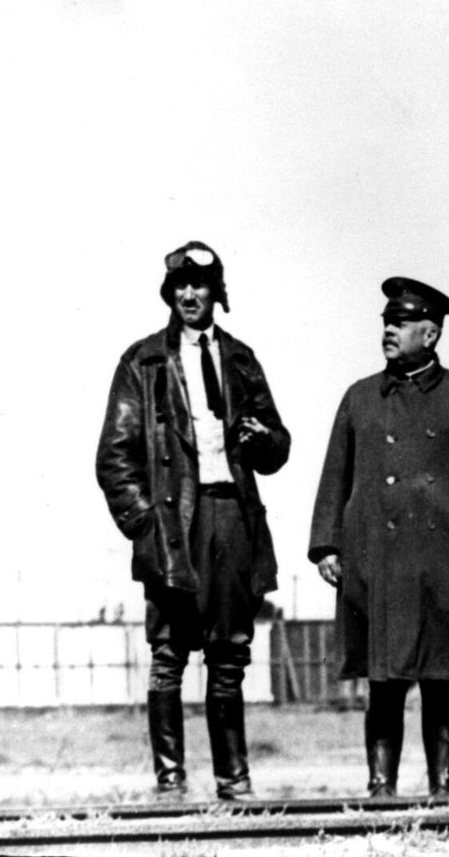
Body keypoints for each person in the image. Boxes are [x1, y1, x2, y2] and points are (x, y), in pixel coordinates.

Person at [96, 241, 290, 800]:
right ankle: (171, 783)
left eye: (200, 285)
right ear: (168, 292)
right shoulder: (143, 362)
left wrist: (262, 439)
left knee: (229, 654)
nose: (189, 294)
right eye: (180, 285)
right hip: (171, 525)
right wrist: (144, 523)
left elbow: (278, 449)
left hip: (230, 515)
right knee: (169, 654)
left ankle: (234, 781)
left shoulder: (241, 358)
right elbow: (114, 456)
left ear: (216, 293)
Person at [308, 277, 449, 798]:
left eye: (400, 324)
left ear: (431, 333)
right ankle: (381, 788)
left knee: (441, 679)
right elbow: (335, 475)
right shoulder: (359, 397)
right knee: (384, 680)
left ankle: (442, 788)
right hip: (377, 558)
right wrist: (327, 544)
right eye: (386, 322)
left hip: (445, 558)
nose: (388, 331)